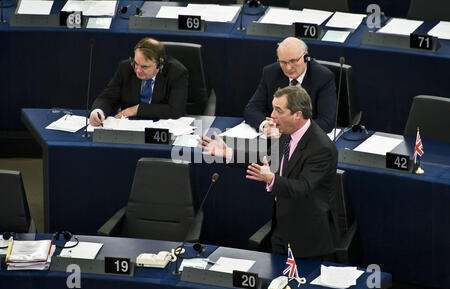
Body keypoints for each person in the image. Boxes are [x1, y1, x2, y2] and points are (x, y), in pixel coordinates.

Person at [199, 86, 339, 259]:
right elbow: (268, 158)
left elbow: (303, 188)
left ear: (298, 115)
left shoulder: (321, 148)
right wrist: (229, 153)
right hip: (281, 226)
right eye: (273, 108)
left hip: (307, 236)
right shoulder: (286, 132)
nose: (272, 115)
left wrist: (272, 179)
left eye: (278, 110)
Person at [243, 37, 336, 135]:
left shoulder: (323, 77)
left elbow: (326, 122)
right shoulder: (271, 73)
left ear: (305, 56)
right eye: (283, 62)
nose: (288, 68)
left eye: (293, 61)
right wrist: (266, 125)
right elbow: (251, 109)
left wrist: (289, 130)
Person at [89, 37, 188, 126]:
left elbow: (176, 110)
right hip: (129, 125)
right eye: (136, 63)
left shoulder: (176, 72)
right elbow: (107, 97)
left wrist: (137, 109)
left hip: (160, 126)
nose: (138, 70)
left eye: (145, 66)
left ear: (160, 63)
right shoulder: (126, 68)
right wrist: (98, 111)